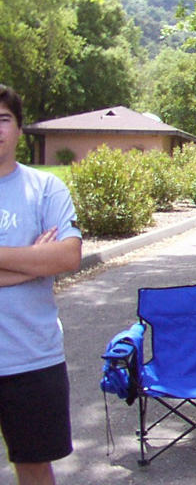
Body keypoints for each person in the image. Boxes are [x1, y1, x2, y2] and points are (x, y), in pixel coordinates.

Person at [0, 85, 82, 485]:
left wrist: (41, 262)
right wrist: (32, 264)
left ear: (19, 128)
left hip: (32, 357)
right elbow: (49, 261)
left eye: (3, 119)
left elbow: (67, 257)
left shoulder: (46, 188)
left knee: (34, 468)